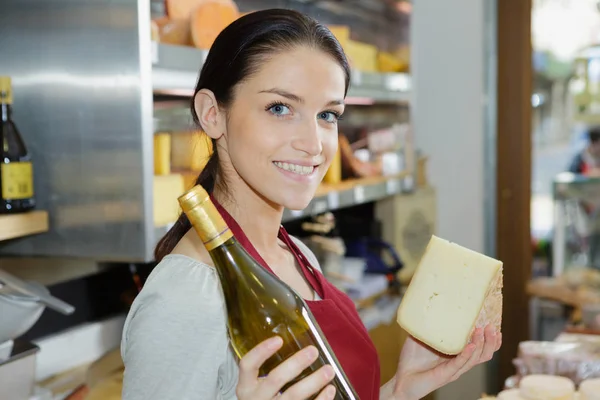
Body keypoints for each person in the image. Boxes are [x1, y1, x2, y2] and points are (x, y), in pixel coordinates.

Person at [121, 9, 501, 400]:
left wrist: (402, 388)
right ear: (212, 114)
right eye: (280, 108)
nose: (314, 143)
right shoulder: (185, 298)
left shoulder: (297, 255)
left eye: (327, 115)